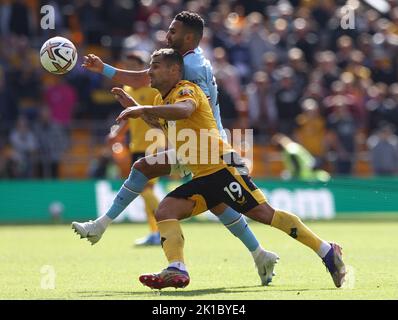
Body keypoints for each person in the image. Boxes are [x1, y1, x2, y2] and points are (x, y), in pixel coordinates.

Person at [72, 11, 278, 286]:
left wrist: (142, 108)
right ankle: (260, 253)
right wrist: (105, 70)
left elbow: (185, 107)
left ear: (188, 37)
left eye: (173, 31)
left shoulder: (189, 67)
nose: (167, 35)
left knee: (155, 174)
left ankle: (108, 229)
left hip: (204, 145)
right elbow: (144, 79)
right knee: (215, 202)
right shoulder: (189, 60)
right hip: (197, 142)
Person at [113, 48, 346, 289]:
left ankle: (327, 251)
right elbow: (163, 123)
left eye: (156, 66)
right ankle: (176, 268)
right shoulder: (161, 99)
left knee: (264, 214)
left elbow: (185, 110)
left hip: (223, 168)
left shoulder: (186, 89)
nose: (150, 71)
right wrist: (135, 107)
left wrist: (143, 109)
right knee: (165, 211)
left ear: (174, 70)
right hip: (203, 177)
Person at [107, 50, 165, 245]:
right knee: (145, 190)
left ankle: (163, 227)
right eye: (127, 66)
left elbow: (158, 115)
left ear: (142, 68)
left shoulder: (152, 88)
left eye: (133, 67)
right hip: (137, 144)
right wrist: (118, 134)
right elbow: (130, 116)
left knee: (144, 188)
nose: (130, 70)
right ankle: (156, 232)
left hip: (154, 142)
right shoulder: (128, 89)